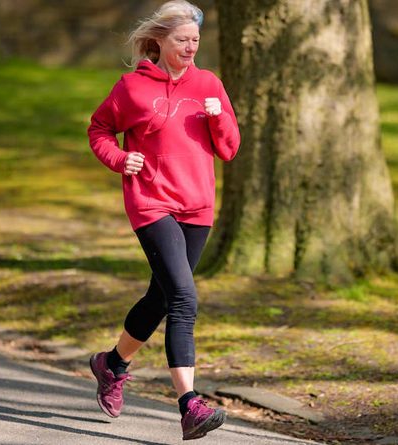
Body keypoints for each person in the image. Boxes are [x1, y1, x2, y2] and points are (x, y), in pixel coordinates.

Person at [86, 1, 239, 440]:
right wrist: (119, 157)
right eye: (182, 40)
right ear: (159, 41)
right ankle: (190, 404)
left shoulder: (208, 84)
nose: (190, 47)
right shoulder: (132, 88)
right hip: (151, 202)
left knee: (161, 296)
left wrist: (219, 115)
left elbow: (229, 149)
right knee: (183, 299)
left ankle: (112, 364)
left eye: (195, 40)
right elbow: (99, 128)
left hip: (197, 206)